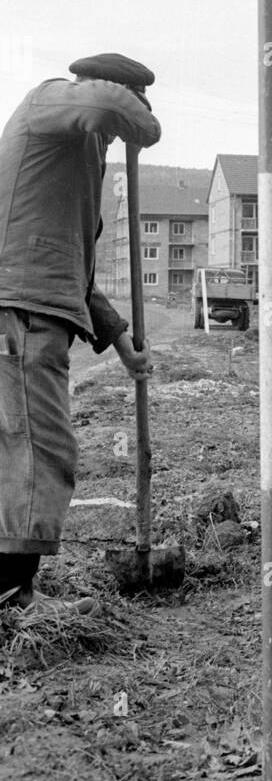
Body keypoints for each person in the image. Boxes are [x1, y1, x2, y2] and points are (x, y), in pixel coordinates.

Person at [0, 53, 161, 612]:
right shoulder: (48, 102)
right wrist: (139, 117)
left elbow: (76, 274)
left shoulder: (74, 164)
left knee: (18, 449)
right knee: (40, 450)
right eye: (114, 132)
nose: (115, 142)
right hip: (21, 316)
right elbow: (104, 105)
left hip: (33, 310)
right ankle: (15, 597)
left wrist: (120, 341)